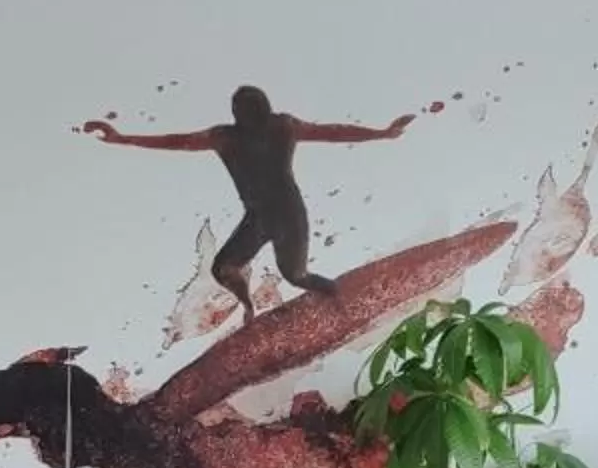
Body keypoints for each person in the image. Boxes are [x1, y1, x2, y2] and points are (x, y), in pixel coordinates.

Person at [86, 87, 417, 322]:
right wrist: (122, 138)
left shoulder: (280, 127)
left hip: (287, 213)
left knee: (296, 276)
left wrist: (382, 133)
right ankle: (248, 306)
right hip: (259, 217)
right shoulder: (228, 136)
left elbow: (333, 133)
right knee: (223, 269)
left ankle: (343, 301)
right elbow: (177, 142)